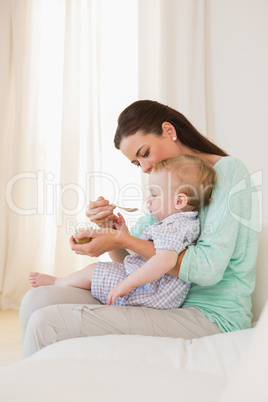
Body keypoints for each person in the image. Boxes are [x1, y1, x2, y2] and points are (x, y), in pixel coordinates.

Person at [20, 100, 259, 359]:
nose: (144, 168)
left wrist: (122, 239)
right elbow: (133, 261)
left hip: (209, 314)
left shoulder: (228, 172)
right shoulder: (166, 184)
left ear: (169, 131)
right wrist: (111, 233)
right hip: (157, 298)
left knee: (48, 322)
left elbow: (207, 269)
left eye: (145, 153)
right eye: (136, 163)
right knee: (37, 300)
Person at [29, 155, 216, 310]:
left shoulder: (175, 226)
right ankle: (63, 284)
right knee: (96, 273)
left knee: (94, 271)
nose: (149, 201)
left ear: (180, 201)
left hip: (152, 291)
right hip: (154, 290)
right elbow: (147, 255)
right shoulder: (179, 223)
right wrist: (124, 234)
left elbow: (165, 261)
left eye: (155, 194)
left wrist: (128, 283)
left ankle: (58, 283)